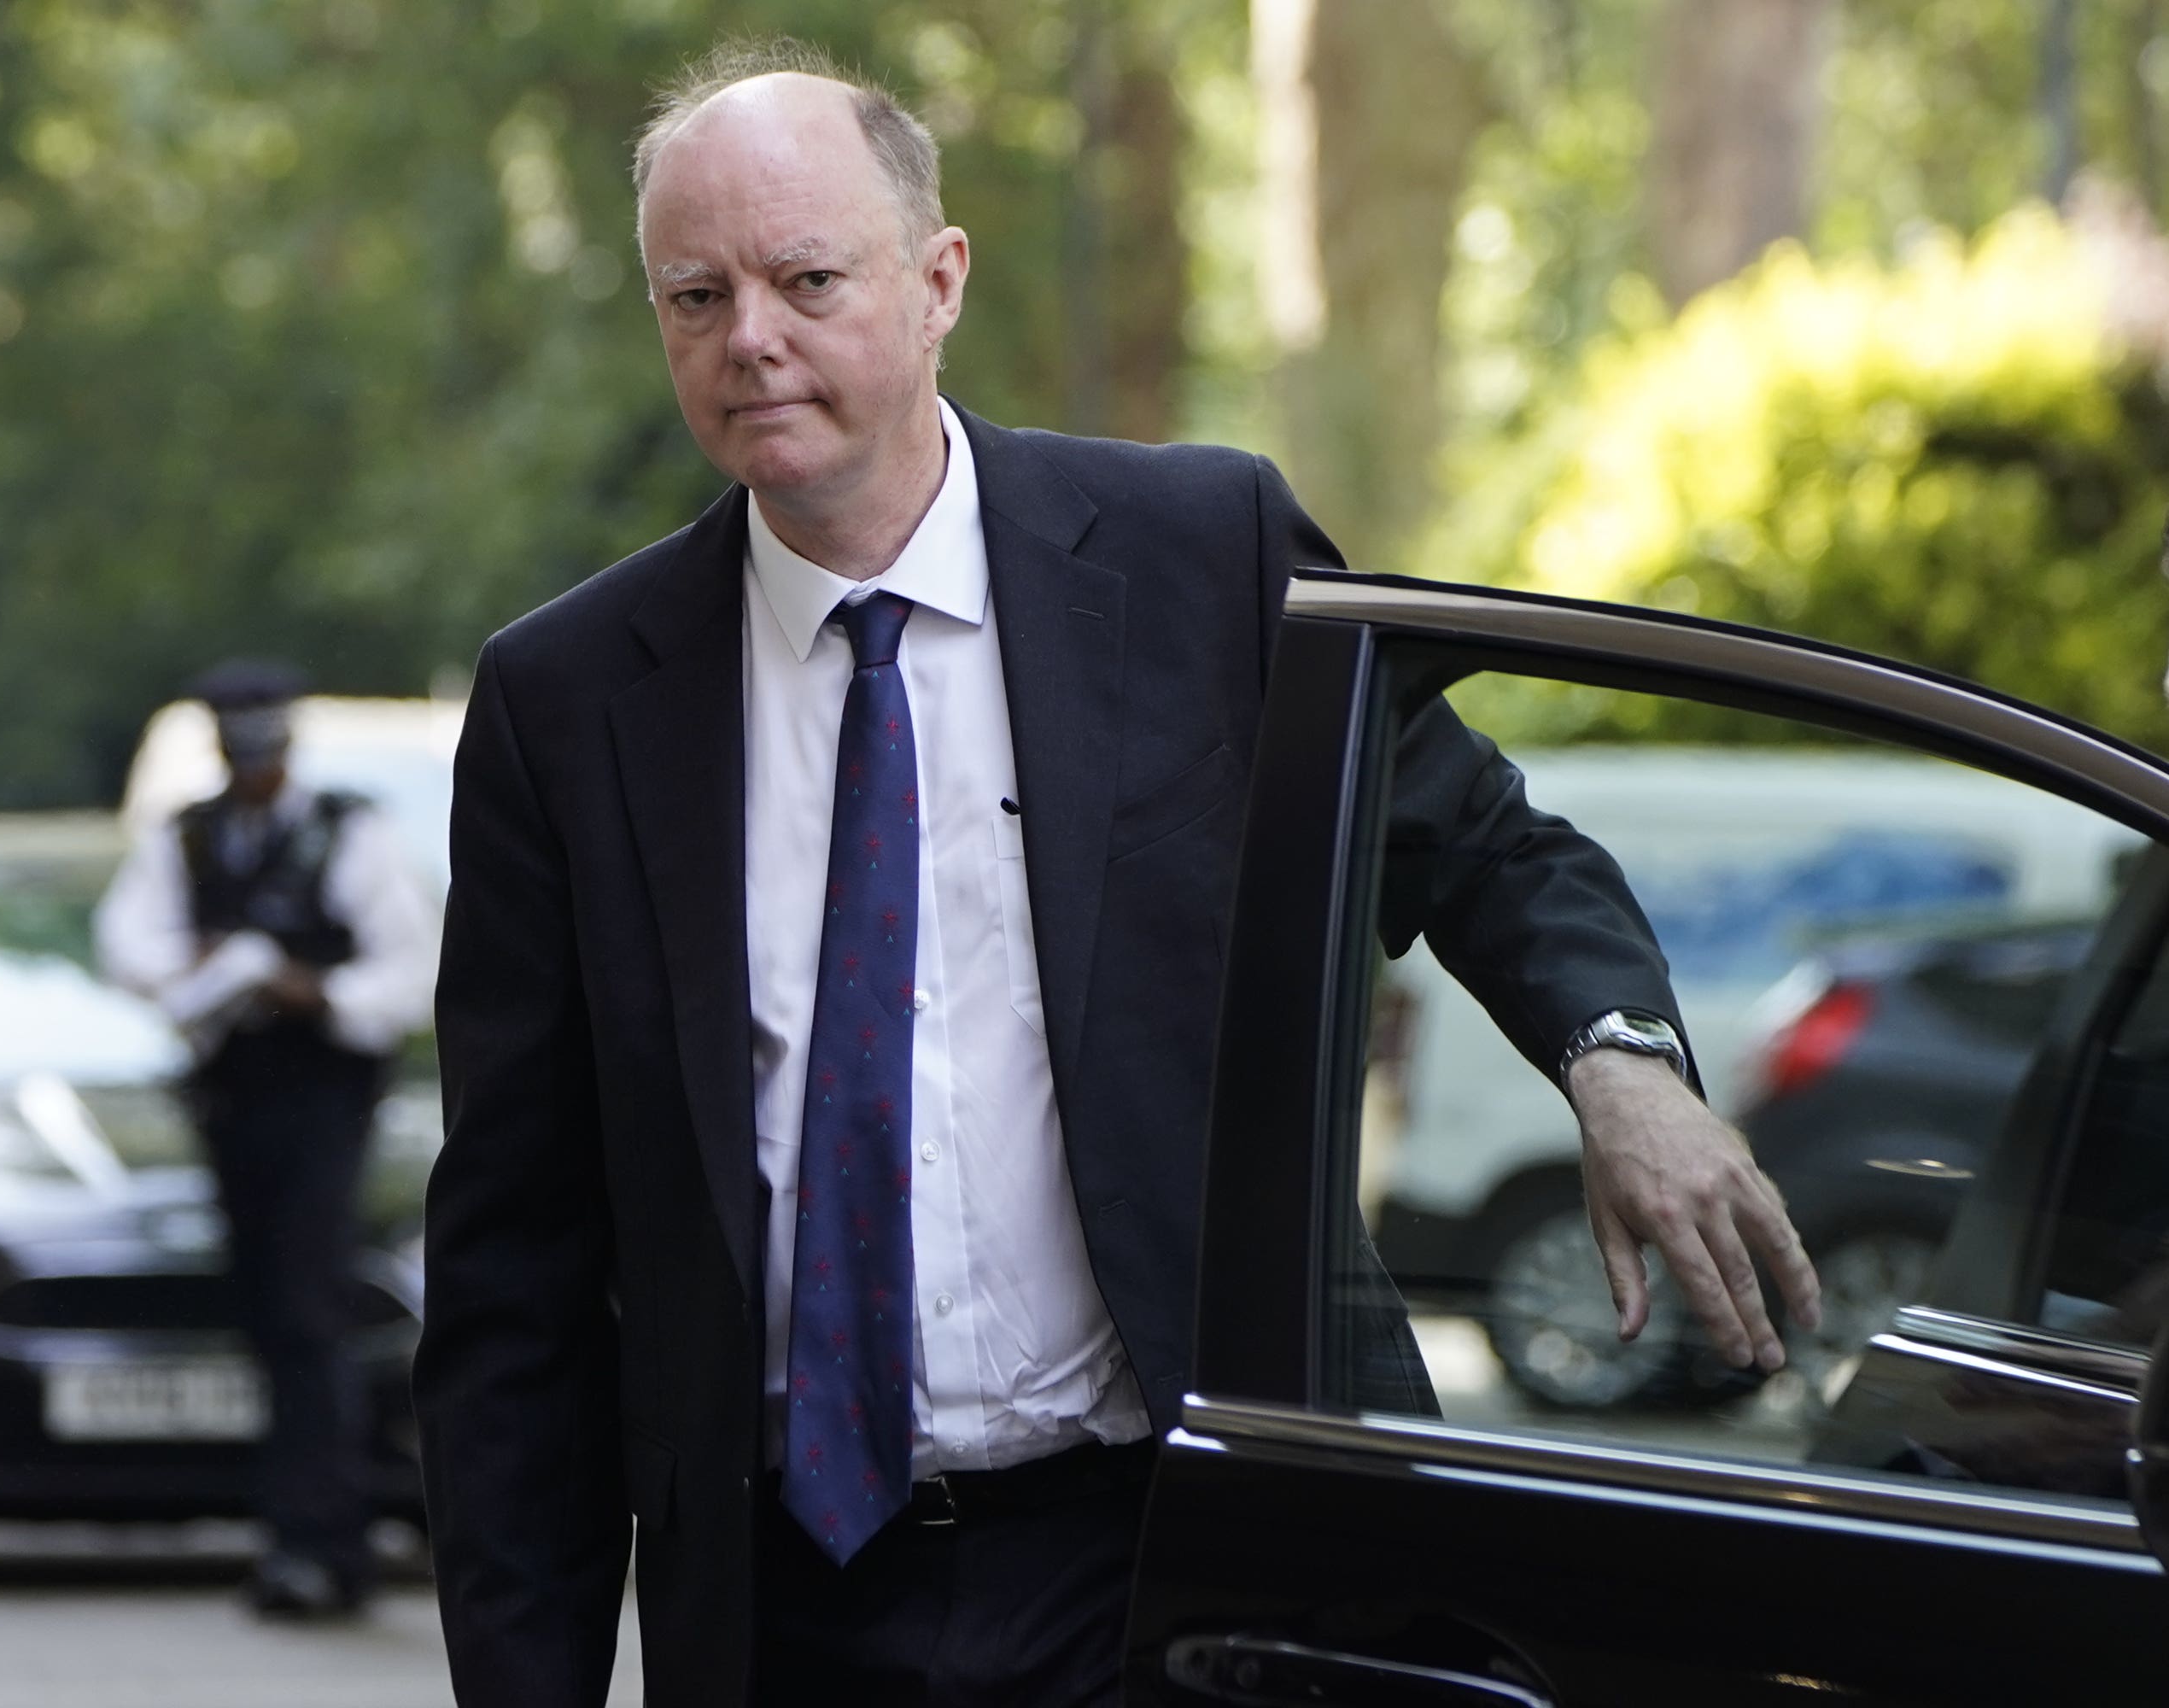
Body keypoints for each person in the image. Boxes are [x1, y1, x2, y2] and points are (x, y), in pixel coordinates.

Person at [413, 41, 1821, 1707]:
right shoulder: (569, 703)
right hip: (787, 1608)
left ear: (939, 281)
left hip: (1178, 1565)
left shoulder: (1196, 553)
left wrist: (1626, 1070)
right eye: (695, 295)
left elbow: (1485, 841)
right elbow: (515, 1276)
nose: (752, 342)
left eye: (805, 280)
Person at [97, 659, 437, 1618]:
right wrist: (198, 968)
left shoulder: (350, 833)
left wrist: (305, 987)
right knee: (267, 1308)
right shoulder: (191, 838)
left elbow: (407, 976)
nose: (253, 764)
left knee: (306, 1309)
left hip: (324, 1096)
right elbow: (131, 945)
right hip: (232, 1097)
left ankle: (323, 1538)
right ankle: (296, 1528)